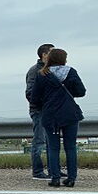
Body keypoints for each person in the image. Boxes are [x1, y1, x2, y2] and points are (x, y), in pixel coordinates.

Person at [30, 48, 86, 187]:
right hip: (69, 114)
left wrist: (45, 103)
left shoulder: (42, 74)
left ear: (49, 59)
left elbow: (34, 98)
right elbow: (81, 91)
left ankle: (55, 178)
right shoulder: (71, 72)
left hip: (51, 115)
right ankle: (71, 178)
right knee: (70, 147)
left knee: (54, 148)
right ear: (63, 59)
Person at [25, 43, 54, 179]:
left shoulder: (52, 70)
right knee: (39, 141)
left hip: (51, 111)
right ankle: (37, 171)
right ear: (44, 54)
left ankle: (54, 170)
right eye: (52, 52)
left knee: (51, 142)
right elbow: (30, 93)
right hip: (39, 111)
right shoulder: (34, 71)